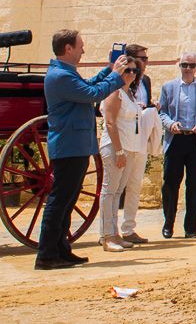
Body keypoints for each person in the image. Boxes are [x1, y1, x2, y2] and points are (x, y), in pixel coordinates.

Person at [36, 30, 131, 270]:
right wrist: (116, 75)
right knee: (59, 202)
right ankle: (47, 255)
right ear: (68, 48)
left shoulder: (65, 74)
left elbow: (87, 85)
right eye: (80, 46)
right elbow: (93, 93)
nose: (82, 51)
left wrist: (109, 69)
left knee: (66, 201)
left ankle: (61, 249)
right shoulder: (60, 76)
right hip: (69, 146)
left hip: (74, 145)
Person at [158, 51, 196, 239]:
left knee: (194, 185)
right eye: (184, 65)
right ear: (179, 65)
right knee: (170, 185)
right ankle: (168, 224)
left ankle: (190, 228)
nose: (187, 69)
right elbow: (162, 112)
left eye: (191, 65)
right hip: (175, 139)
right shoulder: (168, 87)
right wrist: (170, 124)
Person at [98, 57, 148, 251]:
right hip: (115, 147)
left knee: (117, 192)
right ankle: (107, 236)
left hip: (129, 148)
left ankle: (114, 234)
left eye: (134, 71)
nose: (131, 74)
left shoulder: (130, 94)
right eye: (127, 70)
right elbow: (110, 123)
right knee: (109, 191)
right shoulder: (115, 92)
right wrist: (119, 150)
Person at [116, 44, 157, 245]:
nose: (145, 62)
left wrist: (151, 106)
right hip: (124, 139)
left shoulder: (146, 81)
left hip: (140, 138)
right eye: (142, 58)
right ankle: (109, 231)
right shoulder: (123, 79)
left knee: (134, 185)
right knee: (117, 187)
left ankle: (129, 229)